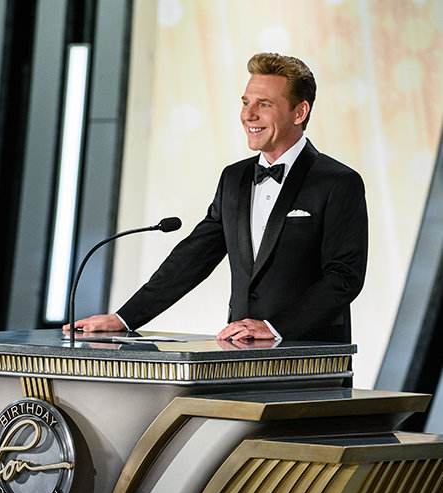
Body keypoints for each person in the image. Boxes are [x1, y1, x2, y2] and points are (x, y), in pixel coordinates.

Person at [64, 53, 368, 344]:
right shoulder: (233, 178)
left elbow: (344, 277)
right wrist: (125, 318)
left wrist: (275, 328)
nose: (248, 115)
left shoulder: (339, 182)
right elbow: (193, 258)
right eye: (246, 102)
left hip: (313, 357)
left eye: (264, 104)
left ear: (299, 112)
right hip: (239, 351)